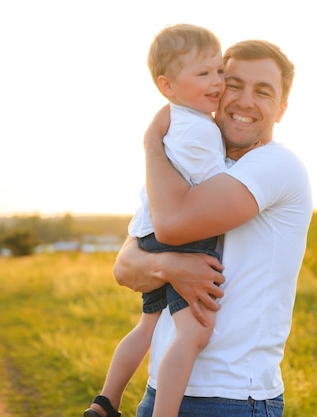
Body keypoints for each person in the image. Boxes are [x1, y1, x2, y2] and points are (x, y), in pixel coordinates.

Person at [112, 39, 313, 417]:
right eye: (234, 84)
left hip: (234, 399)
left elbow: (168, 227)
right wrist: (167, 267)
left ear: (282, 109)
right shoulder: (196, 163)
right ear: (216, 89)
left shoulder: (276, 165)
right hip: (161, 393)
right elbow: (125, 266)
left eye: (263, 91)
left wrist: (151, 141)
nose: (244, 101)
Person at [84, 23, 227, 417]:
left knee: (148, 327)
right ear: (168, 85)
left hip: (147, 235)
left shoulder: (175, 120)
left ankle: (106, 400)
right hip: (180, 239)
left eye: (219, 71)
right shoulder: (198, 130)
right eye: (203, 74)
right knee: (193, 334)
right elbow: (216, 186)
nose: (217, 82)